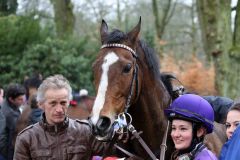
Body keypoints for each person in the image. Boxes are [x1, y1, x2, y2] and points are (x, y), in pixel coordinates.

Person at [13, 74, 112, 160]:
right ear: (41, 104)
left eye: (63, 103)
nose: (59, 109)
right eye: (53, 103)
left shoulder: (85, 131)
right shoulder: (26, 138)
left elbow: (116, 150)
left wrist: (118, 132)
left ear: (69, 102)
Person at [165, 94, 218, 160]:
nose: (175, 134)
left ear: (200, 131)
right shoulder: (183, 155)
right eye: (173, 128)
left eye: (183, 129)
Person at [0, 83, 26, 160]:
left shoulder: (9, 104)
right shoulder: (9, 114)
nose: (23, 101)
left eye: (23, 98)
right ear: (11, 99)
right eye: (20, 99)